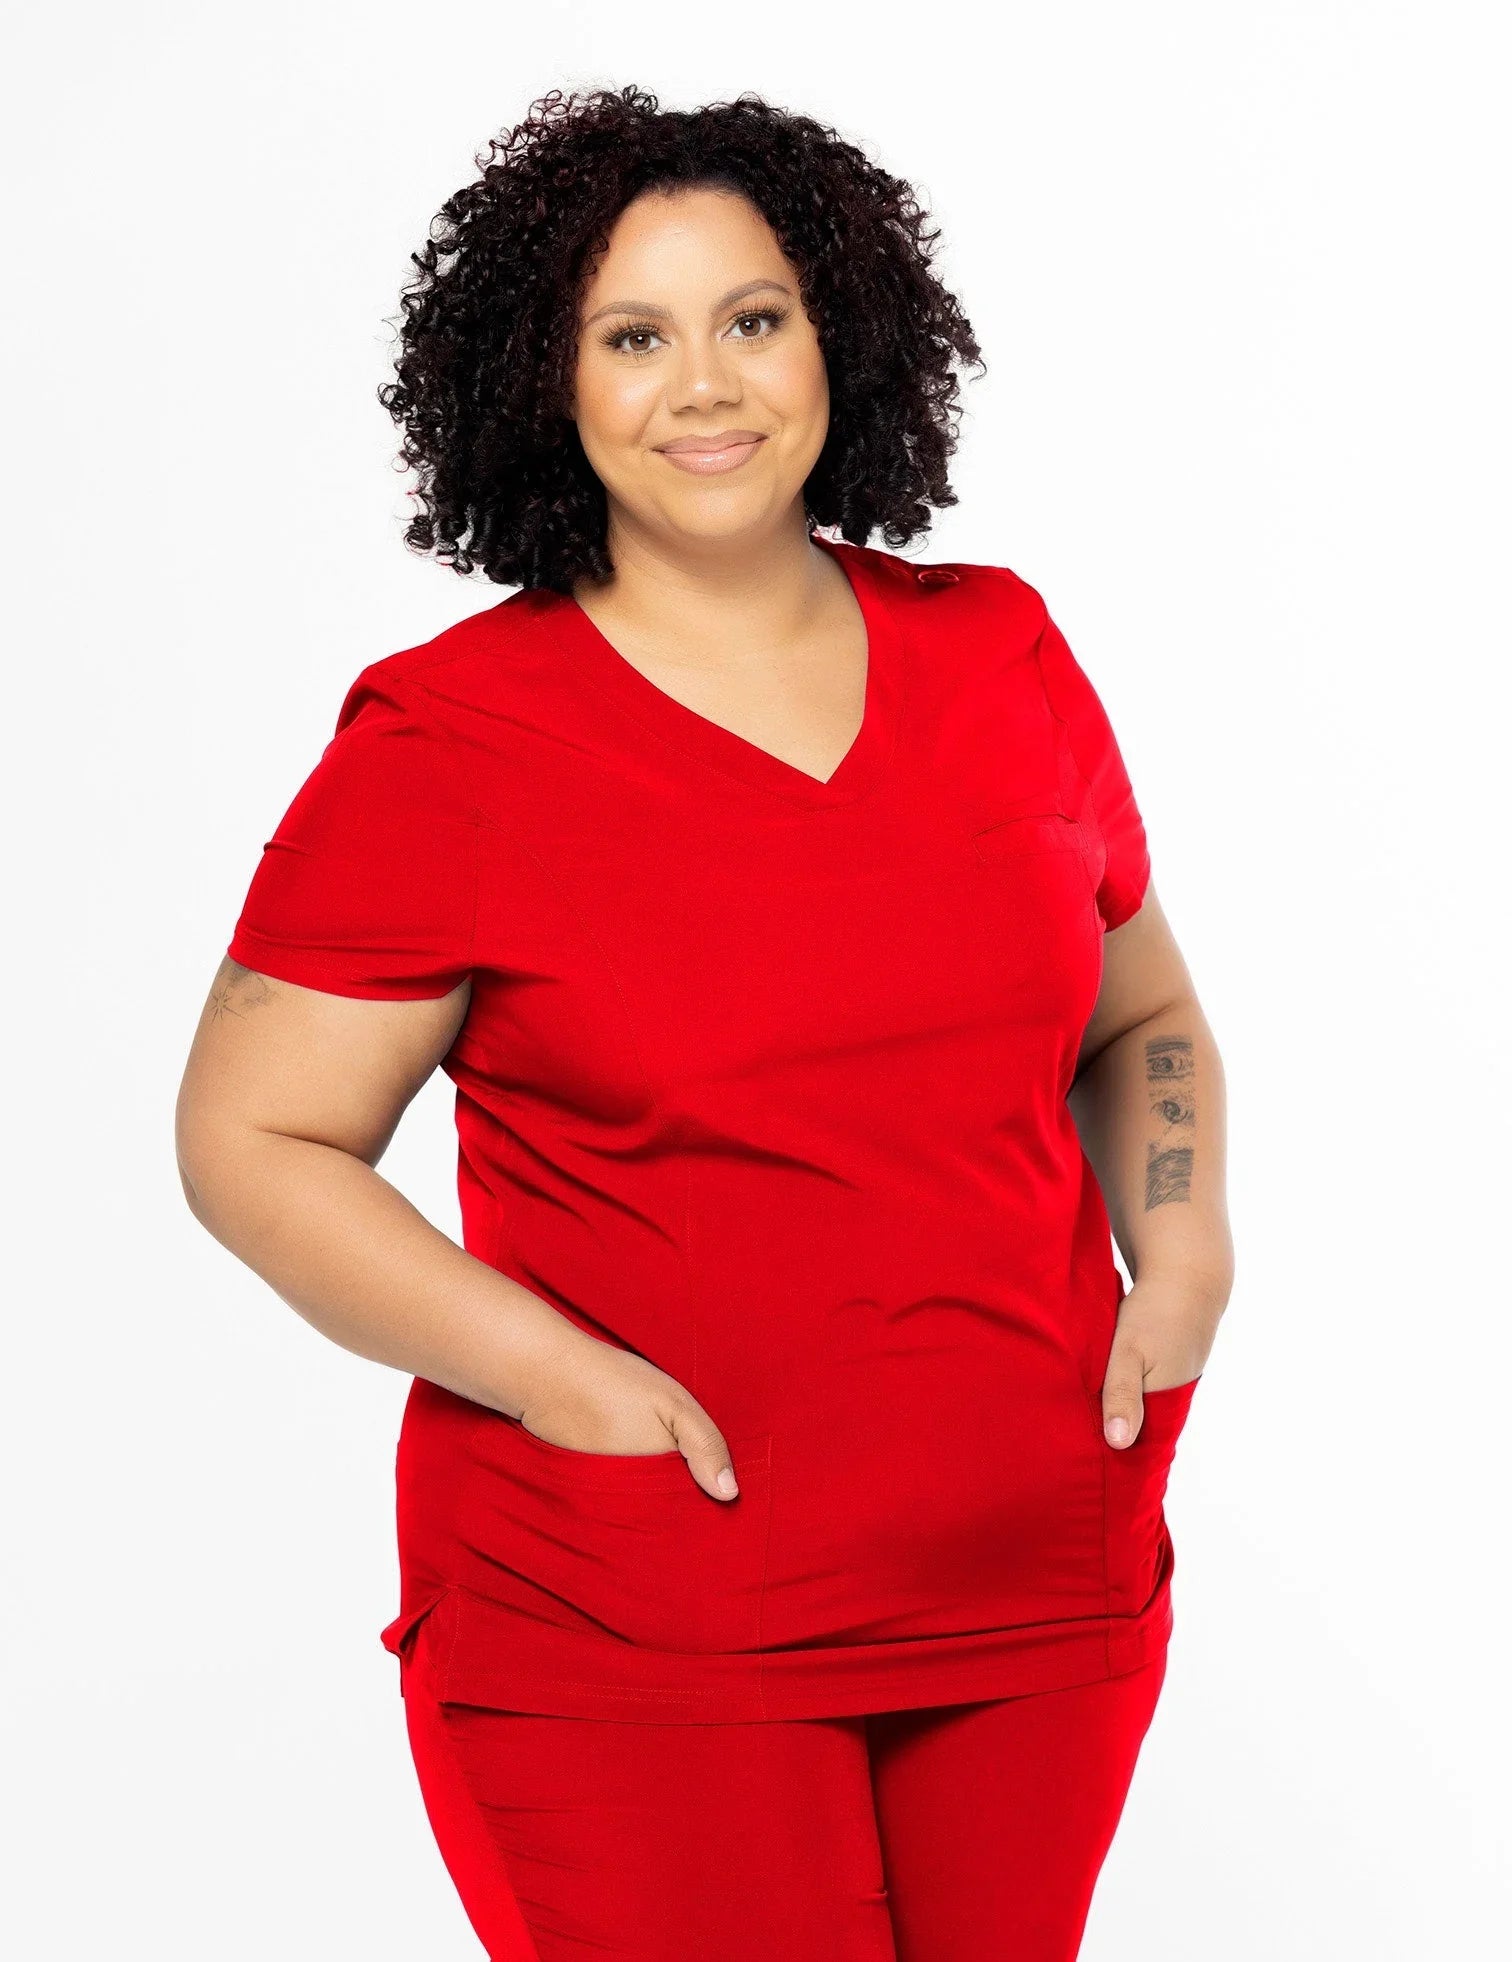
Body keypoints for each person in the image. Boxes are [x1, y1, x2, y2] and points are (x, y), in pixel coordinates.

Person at [176, 83, 1233, 1962]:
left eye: (753, 318)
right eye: (633, 336)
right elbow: (253, 1140)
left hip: (1028, 1583)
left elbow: (1136, 1006)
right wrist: (563, 1381)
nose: (707, 384)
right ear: (546, 384)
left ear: (839, 331)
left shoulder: (1001, 654)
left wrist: (1185, 1253)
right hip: (635, 1605)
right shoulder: (453, 744)